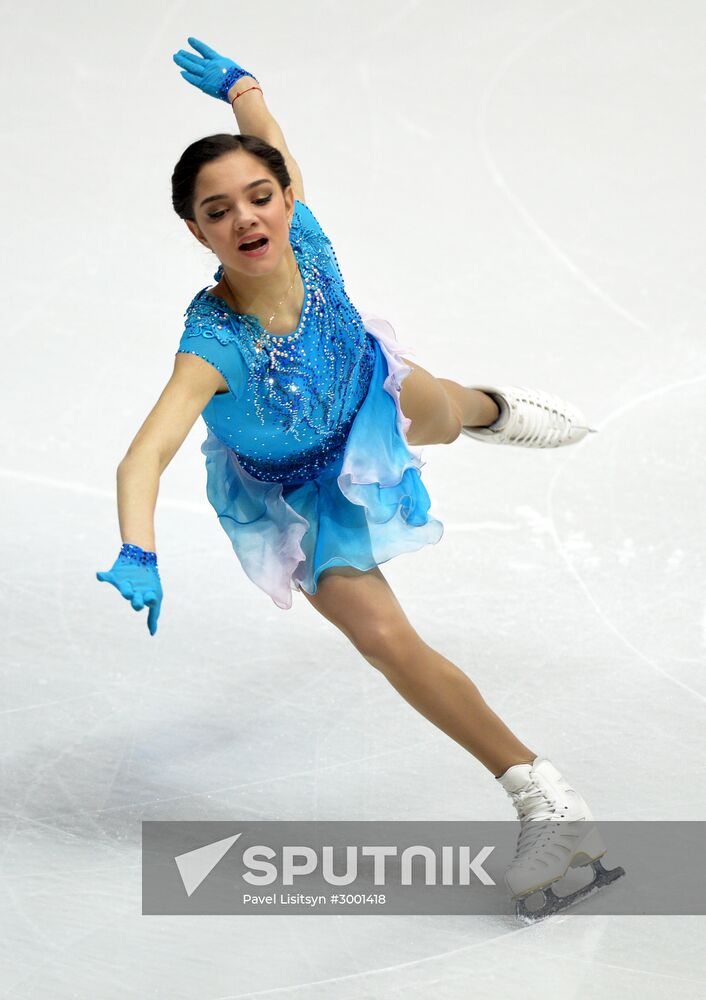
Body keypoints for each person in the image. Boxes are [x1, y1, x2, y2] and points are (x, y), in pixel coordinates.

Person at [96, 37, 624, 921]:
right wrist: (136, 548)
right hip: (302, 489)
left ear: (286, 197)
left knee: (448, 413)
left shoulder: (300, 228)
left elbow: (262, 130)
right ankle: (547, 801)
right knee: (384, 640)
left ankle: (498, 409)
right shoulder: (211, 345)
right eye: (217, 210)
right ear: (196, 231)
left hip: (367, 389)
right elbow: (142, 454)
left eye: (259, 197)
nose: (246, 218)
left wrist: (243, 86)